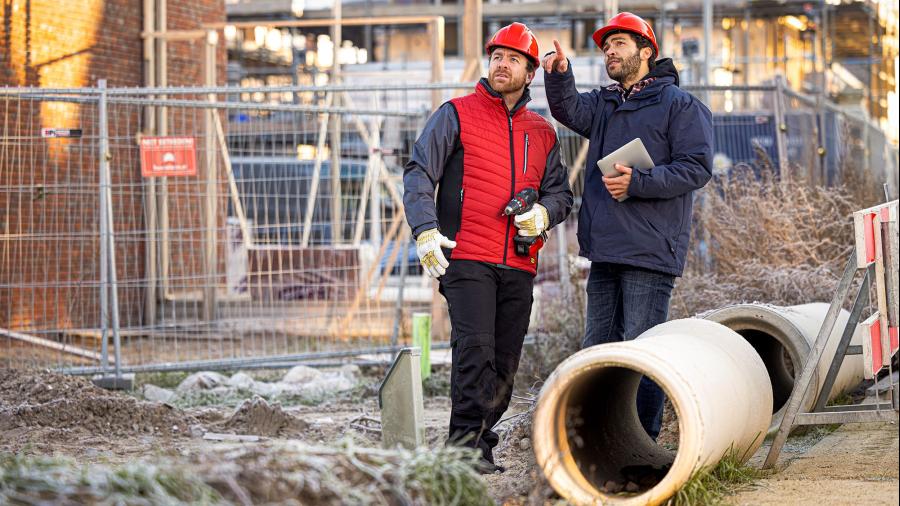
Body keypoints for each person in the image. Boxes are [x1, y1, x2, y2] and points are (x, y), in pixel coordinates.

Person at [403, 22, 573, 472]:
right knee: (474, 352)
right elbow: (420, 171)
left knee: (505, 363)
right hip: (467, 256)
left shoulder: (543, 132)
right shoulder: (456, 113)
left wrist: (544, 215)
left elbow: (561, 194)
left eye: (513, 59)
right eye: (497, 56)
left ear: (530, 72)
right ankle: (463, 452)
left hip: (519, 262)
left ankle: (481, 444)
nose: (502, 64)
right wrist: (424, 229)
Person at [541, 12, 713, 440]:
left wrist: (639, 182)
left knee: (644, 355)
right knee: (597, 351)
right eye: (605, 47)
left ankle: (641, 447)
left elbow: (696, 168)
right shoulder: (604, 104)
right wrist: (561, 74)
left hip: (650, 253)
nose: (609, 52)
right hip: (605, 250)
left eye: (619, 43)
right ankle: (596, 443)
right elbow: (568, 108)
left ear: (647, 52)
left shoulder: (681, 106)